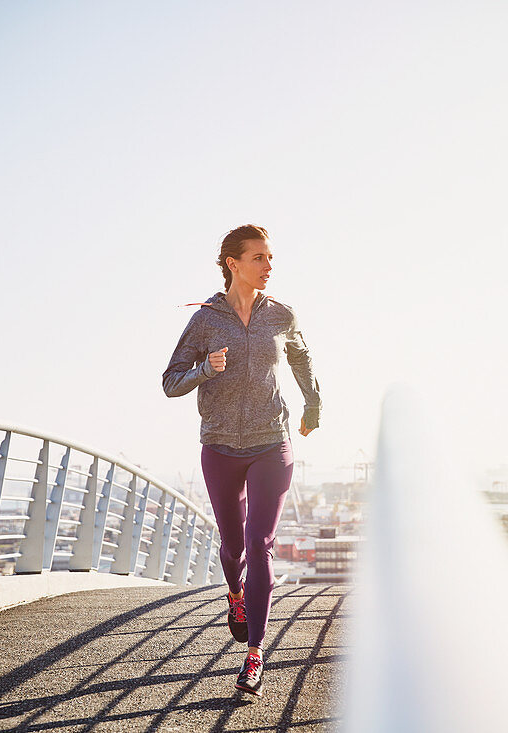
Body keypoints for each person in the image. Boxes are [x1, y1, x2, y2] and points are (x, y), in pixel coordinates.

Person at [162, 224, 321, 699]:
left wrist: (313, 404)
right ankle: (234, 594)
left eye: (271, 258)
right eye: (259, 258)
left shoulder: (282, 315)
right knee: (233, 549)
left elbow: (301, 357)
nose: (269, 267)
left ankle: (255, 654)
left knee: (261, 545)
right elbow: (170, 382)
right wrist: (204, 369)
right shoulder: (206, 320)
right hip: (220, 448)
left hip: (272, 442)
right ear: (233, 263)